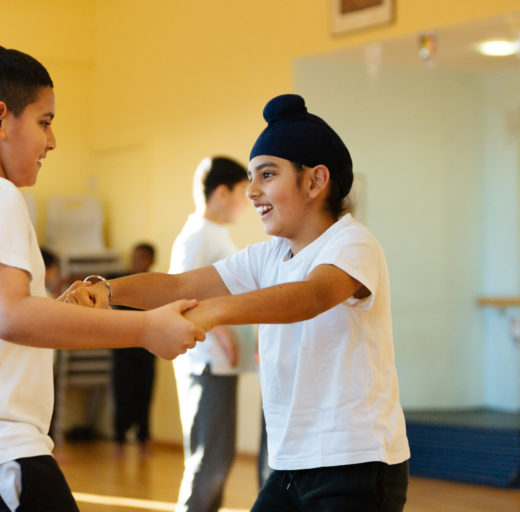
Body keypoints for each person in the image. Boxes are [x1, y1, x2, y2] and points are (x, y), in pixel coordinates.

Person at [0, 45, 204, 512]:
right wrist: (145, 328)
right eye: (44, 121)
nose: (53, 141)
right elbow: (9, 316)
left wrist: (54, 312)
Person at [67, 94, 410, 511]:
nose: (251, 191)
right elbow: (177, 287)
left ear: (316, 181)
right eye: (250, 177)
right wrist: (107, 290)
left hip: (356, 463)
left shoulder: (352, 242)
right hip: (290, 467)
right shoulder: (269, 254)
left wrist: (212, 313)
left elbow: (312, 296)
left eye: (267, 175)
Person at [168, 156, 254, 512]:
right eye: (242, 193)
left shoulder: (214, 234)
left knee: (218, 457)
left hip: (221, 364)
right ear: (222, 192)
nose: (247, 201)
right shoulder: (197, 236)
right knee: (209, 459)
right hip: (206, 362)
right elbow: (183, 297)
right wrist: (223, 335)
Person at [111, 242, 157, 457]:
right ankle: (119, 440)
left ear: (150, 260)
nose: (138, 261)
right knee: (122, 394)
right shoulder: (120, 281)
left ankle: (143, 439)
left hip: (146, 350)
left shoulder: (156, 284)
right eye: (135, 256)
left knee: (144, 396)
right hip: (122, 349)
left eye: (142, 257)